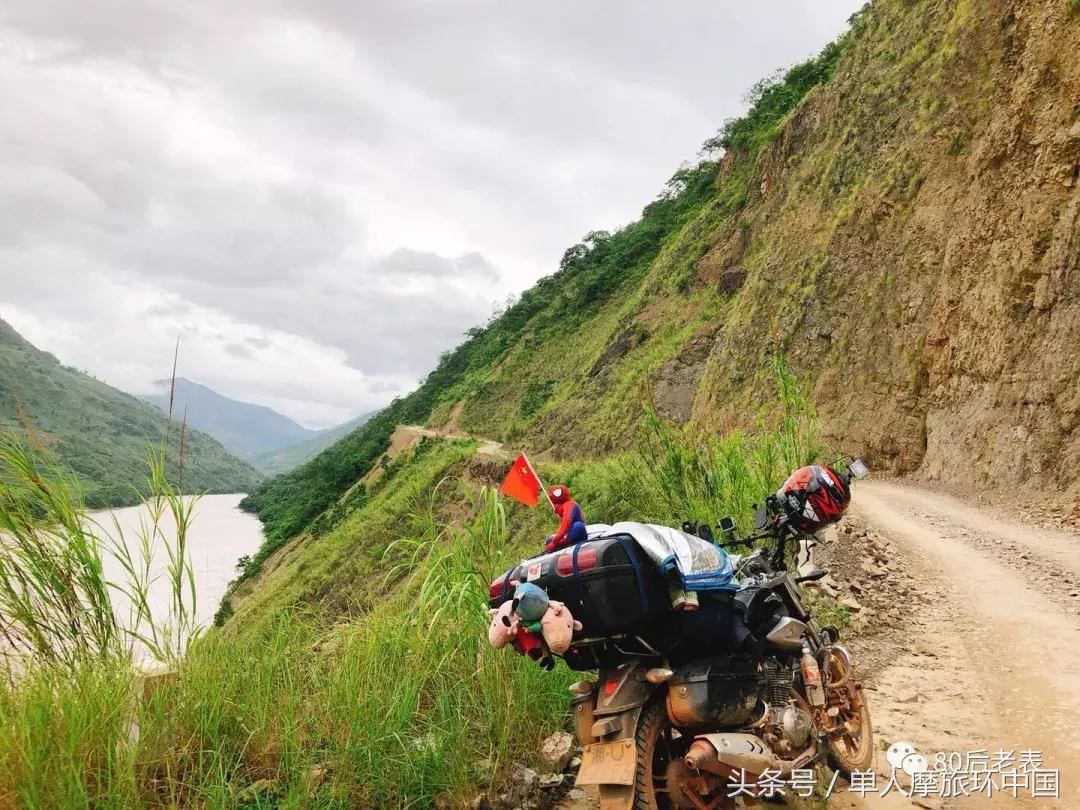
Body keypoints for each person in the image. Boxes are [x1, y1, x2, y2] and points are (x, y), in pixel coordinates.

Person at [543, 484, 587, 552]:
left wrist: (555, 541)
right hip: (569, 532)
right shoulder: (560, 507)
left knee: (578, 526)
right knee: (548, 540)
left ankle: (561, 543)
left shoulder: (569, 504)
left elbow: (566, 522)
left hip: (577, 531)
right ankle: (561, 542)